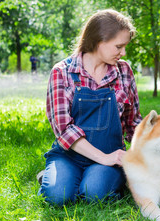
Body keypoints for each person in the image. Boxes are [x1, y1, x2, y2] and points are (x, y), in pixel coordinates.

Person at [38, 9, 142, 206]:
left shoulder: (124, 71)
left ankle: (84, 181)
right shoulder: (62, 72)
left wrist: (158, 147)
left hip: (112, 154)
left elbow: (133, 122)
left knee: (95, 194)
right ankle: (52, 178)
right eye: (118, 46)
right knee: (57, 197)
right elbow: (63, 130)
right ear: (98, 41)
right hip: (69, 156)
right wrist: (103, 158)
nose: (123, 52)